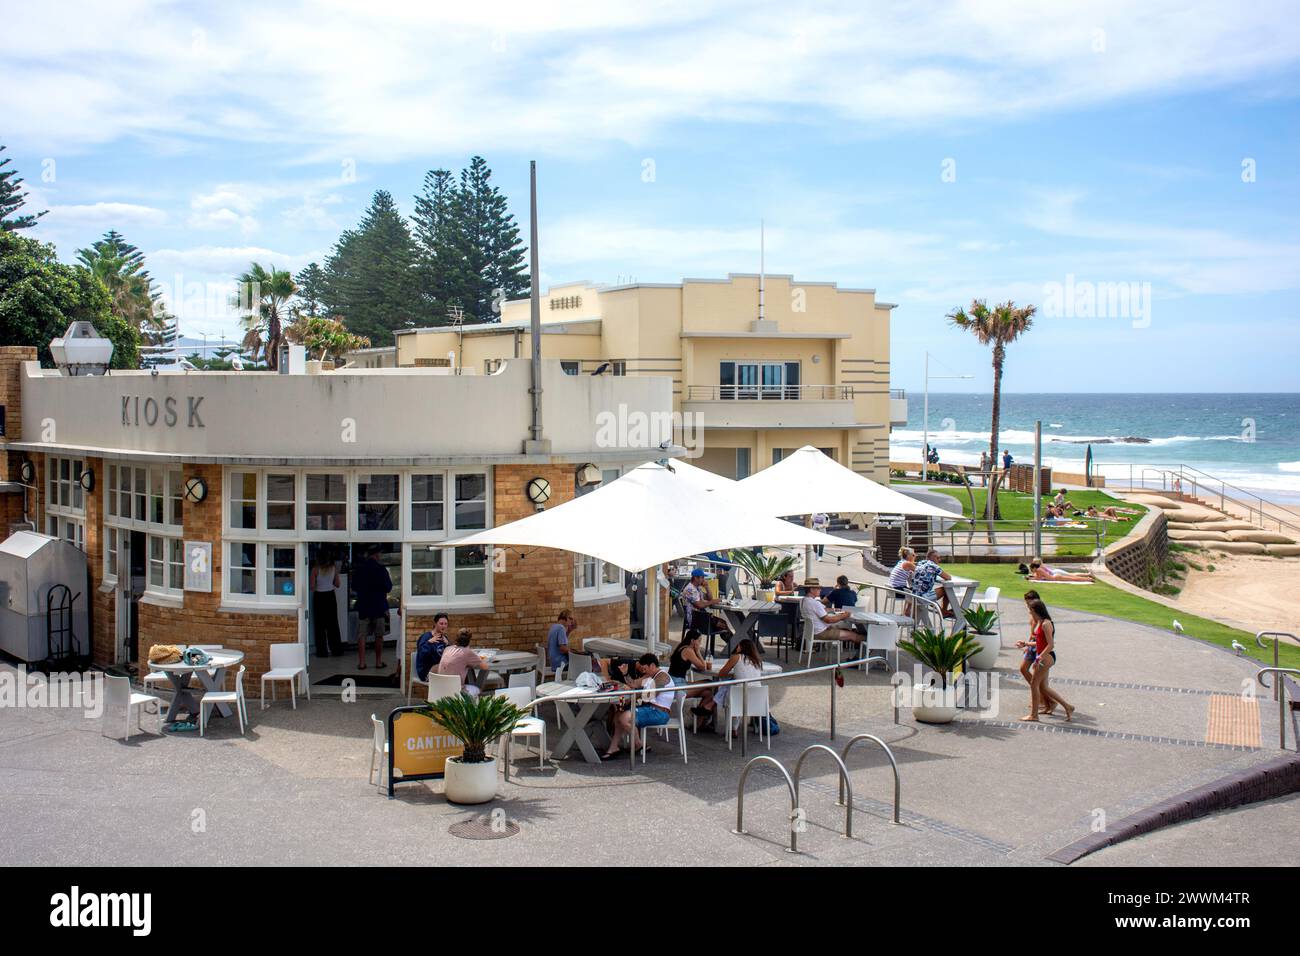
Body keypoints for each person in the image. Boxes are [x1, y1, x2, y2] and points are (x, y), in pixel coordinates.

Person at [602, 654, 677, 759]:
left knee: (624, 718)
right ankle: (614, 748)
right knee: (618, 713)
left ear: (652, 665)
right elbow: (633, 684)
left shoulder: (662, 677)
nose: (643, 671)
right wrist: (625, 673)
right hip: (650, 709)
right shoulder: (650, 675)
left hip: (660, 712)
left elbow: (649, 695)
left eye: (644, 668)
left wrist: (632, 695)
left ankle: (639, 744)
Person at [1017, 598, 1074, 722]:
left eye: (1031, 611)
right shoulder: (1041, 622)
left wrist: (1040, 656)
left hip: (1046, 657)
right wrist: (1026, 644)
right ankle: (1067, 706)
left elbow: (1050, 645)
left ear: (1036, 610)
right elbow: (1039, 642)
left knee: (1034, 685)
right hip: (1043, 656)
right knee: (1043, 687)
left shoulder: (1046, 624)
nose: (1030, 614)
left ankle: (1034, 715)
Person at [352, 545, 393, 670]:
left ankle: (362, 663)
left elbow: (353, 586)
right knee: (379, 635)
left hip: (363, 606)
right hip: (379, 606)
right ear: (376, 555)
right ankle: (378, 662)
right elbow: (389, 588)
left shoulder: (359, 569)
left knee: (362, 636)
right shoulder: (381, 569)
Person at [711, 637, 766, 730]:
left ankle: (733, 728)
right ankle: (711, 705)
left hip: (739, 698)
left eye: (738, 646)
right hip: (757, 699)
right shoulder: (758, 660)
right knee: (735, 687)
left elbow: (721, 673)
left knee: (730, 688)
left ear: (741, 647)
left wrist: (733, 672)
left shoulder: (737, 657)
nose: (736, 648)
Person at [668, 629, 717, 731]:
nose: (700, 643)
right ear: (692, 641)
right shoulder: (688, 650)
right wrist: (698, 651)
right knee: (710, 683)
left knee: (708, 693)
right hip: (677, 686)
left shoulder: (682, 647)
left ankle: (697, 724)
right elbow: (703, 666)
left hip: (676, 682)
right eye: (699, 641)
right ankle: (695, 713)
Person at [800, 578, 862, 651]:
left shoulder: (804, 600)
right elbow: (829, 620)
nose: (820, 590)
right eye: (818, 588)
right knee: (853, 635)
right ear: (811, 589)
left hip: (814, 631)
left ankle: (860, 654)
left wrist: (834, 609)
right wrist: (845, 614)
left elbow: (822, 610)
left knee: (847, 632)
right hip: (821, 632)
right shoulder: (814, 603)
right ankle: (868, 646)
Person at [681, 568, 733, 644]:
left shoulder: (697, 588)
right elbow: (700, 605)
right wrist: (713, 601)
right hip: (695, 619)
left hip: (700, 616)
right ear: (696, 578)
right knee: (722, 625)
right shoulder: (690, 589)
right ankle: (733, 645)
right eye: (702, 577)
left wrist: (707, 587)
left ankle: (732, 645)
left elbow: (709, 598)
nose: (703, 579)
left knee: (722, 623)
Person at [309, 549, 343, 657]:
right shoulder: (333, 569)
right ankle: (336, 650)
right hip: (330, 596)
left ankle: (322, 651)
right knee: (333, 624)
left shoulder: (315, 570)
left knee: (320, 625)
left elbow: (312, 586)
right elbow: (338, 584)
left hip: (319, 597)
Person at [437, 628, 487, 697]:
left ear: (456, 638)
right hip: (457, 692)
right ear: (469, 640)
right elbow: (485, 667)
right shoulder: (467, 652)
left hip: (440, 690)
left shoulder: (447, 649)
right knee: (477, 689)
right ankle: (472, 706)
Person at [910, 549, 953, 616]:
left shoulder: (921, 563)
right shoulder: (933, 566)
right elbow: (948, 577)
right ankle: (944, 611)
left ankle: (942, 610)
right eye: (937, 558)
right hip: (922, 598)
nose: (939, 560)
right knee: (946, 589)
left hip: (913, 596)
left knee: (934, 590)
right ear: (932, 558)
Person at [415, 612, 450, 682]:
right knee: (444, 668)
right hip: (426, 673)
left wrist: (448, 644)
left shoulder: (444, 638)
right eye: (441, 623)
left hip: (440, 670)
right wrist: (429, 643)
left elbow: (450, 656)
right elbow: (421, 655)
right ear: (435, 624)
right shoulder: (426, 637)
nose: (444, 626)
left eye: (446, 624)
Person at [1027, 558, 1094, 582]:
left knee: (1073, 578)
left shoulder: (1039, 569)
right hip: (1055, 575)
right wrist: (1031, 577)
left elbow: (1038, 578)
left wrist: (1030, 578)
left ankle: (1088, 578)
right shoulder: (1039, 569)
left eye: (1032, 569)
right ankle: (1088, 578)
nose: (1032, 571)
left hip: (1055, 576)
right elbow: (1038, 577)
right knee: (1073, 577)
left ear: (1034, 568)